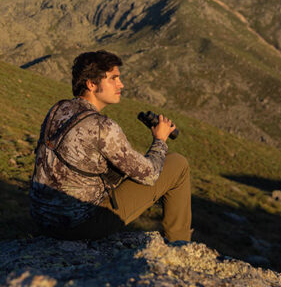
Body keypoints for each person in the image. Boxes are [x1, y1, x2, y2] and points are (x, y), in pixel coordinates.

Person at [30, 50, 191, 242]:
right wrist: (159, 141)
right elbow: (150, 175)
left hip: (43, 220)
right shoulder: (103, 127)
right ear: (91, 84)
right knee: (178, 165)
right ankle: (180, 244)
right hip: (79, 225)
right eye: (113, 79)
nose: (120, 84)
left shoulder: (58, 109)